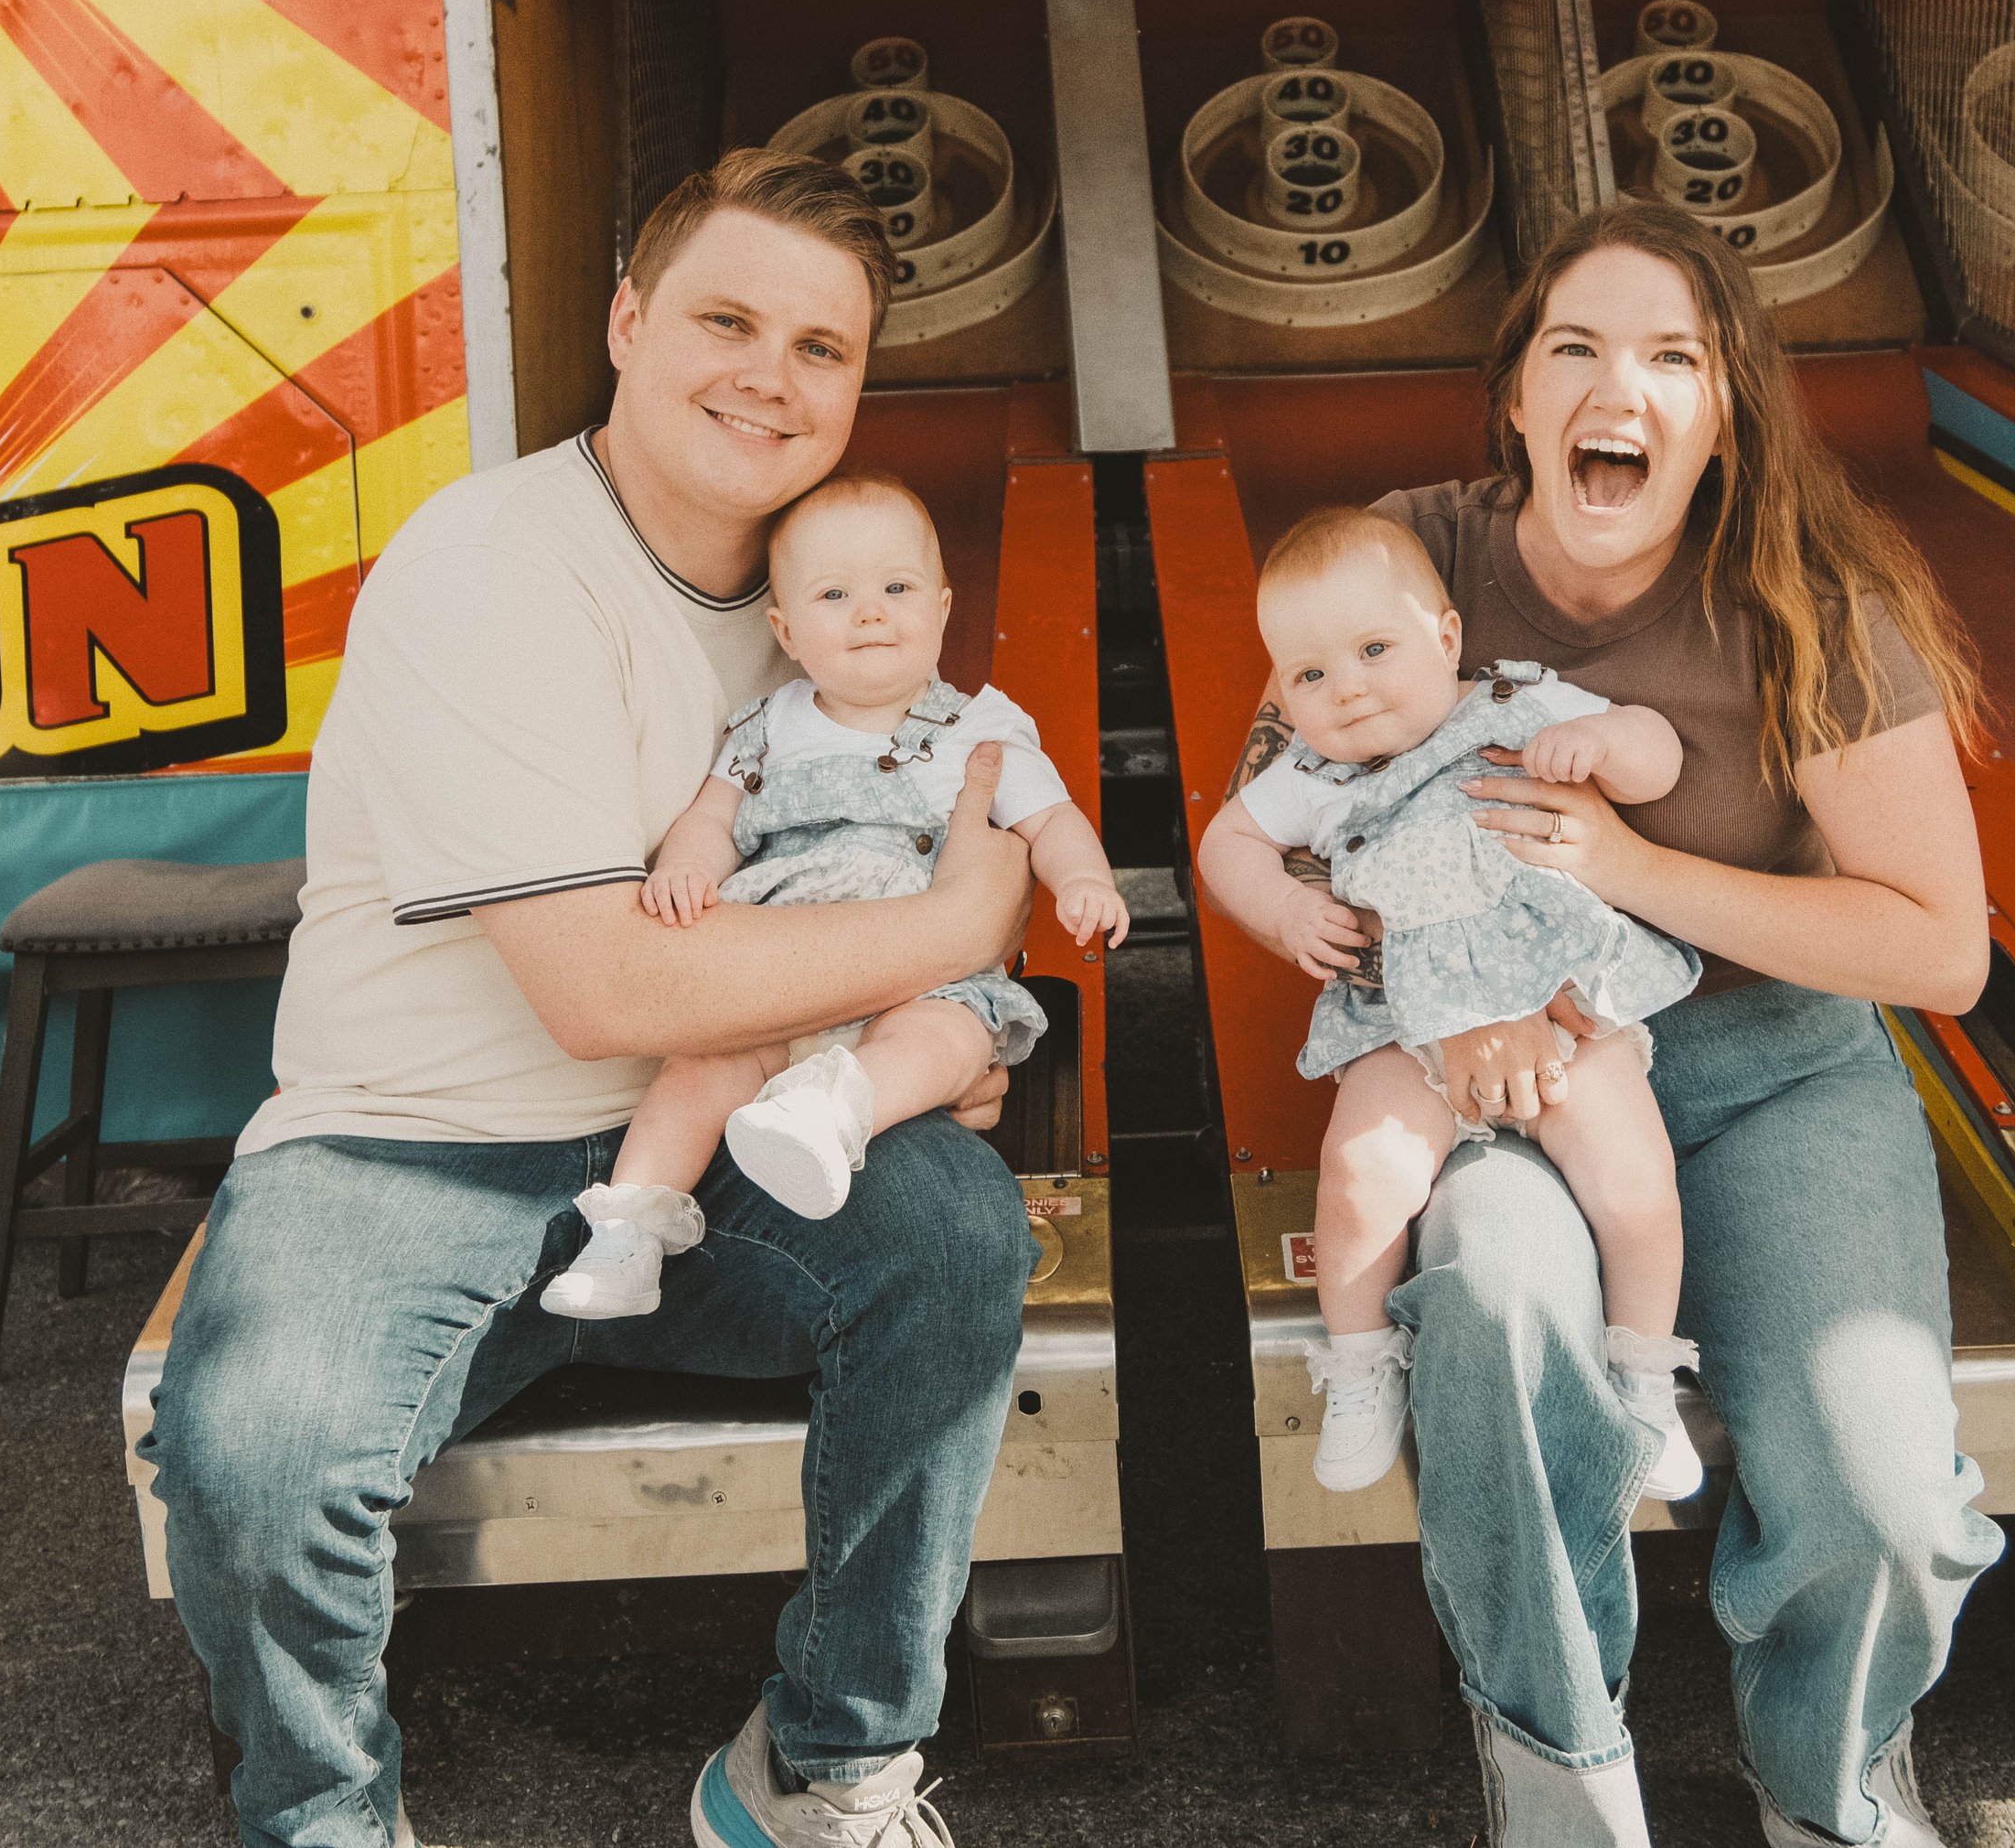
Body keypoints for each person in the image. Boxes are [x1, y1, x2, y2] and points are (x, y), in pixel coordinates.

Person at [142, 148, 1040, 1848]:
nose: (769, 378)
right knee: (257, 1454)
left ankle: (827, 1767)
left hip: (699, 1133)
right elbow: (604, 986)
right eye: (724, 318)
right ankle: (321, 1814)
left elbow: (908, 855)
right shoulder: (496, 562)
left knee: (955, 1236)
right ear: (626, 322)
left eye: (821, 348)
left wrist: (910, 1041)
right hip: (406, 1152)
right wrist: (945, 939)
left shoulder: (816, 607)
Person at [1227, 204, 2002, 1848]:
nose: (1618, 387)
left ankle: (1832, 1777)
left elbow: (1941, 951)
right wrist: (1434, 1026)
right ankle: (1559, 1770)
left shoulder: (1810, 602)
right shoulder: (1409, 561)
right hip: (1506, 1062)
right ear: (1517, 396)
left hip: (1780, 1068)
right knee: (1500, 1315)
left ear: (1724, 413)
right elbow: (1277, 826)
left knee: (1882, 1499)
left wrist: (1638, 869)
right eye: (1576, 347)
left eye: (1673, 357)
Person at [1198, 507, 1701, 1497]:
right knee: (1357, 1175)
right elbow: (1226, 843)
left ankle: (1643, 1374)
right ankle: (1358, 1362)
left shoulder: (1520, 705)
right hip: (1406, 1019)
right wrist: (1284, 906)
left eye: (1373, 650)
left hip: (1561, 998)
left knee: (1635, 1185)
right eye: (1307, 675)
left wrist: (1605, 739)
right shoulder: (1315, 773)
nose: (1343, 689)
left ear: (1446, 638)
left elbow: (1660, 753)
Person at [544, 473, 1125, 1316]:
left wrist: (1084, 878)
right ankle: (628, 1234)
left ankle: (833, 1115)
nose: (871, 612)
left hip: (914, 981)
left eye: (898, 588)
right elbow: (713, 816)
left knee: (950, 1039)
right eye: (835, 593)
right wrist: (688, 868)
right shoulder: (767, 727)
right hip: (776, 971)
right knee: (696, 1073)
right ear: (785, 627)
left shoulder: (981, 729)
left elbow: (1052, 819)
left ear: (944, 607)